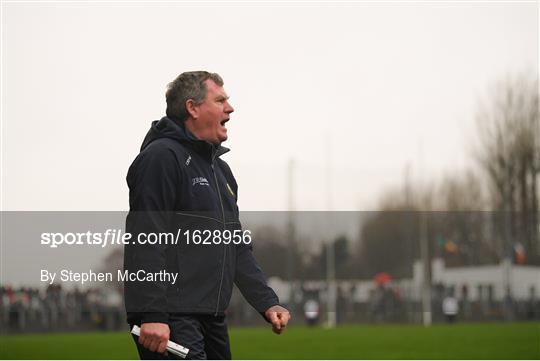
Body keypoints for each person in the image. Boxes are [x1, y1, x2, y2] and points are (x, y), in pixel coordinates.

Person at [124, 71, 290, 359]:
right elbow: (145, 238)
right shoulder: (161, 158)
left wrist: (267, 302)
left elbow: (235, 245)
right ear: (193, 107)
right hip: (171, 317)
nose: (230, 108)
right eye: (220, 100)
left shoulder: (221, 172)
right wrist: (152, 313)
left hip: (211, 317)